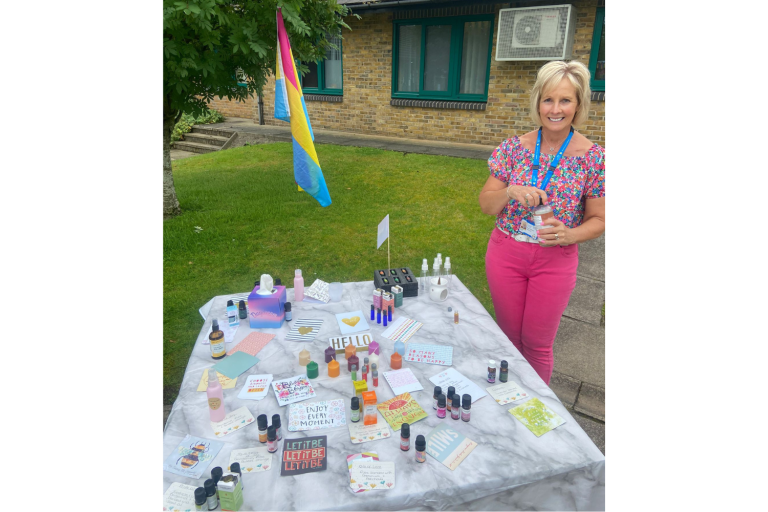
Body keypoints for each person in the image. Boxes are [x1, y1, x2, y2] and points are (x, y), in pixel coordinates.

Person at [478, 60, 605, 385]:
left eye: (565, 100)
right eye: (548, 99)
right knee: (507, 337)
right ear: (538, 102)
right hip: (507, 254)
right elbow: (485, 205)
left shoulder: (593, 158)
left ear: (578, 105)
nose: (556, 109)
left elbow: (600, 219)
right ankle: (507, 402)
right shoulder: (513, 148)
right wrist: (509, 190)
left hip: (555, 260)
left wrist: (569, 234)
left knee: (536, 345)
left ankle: (535, 415)